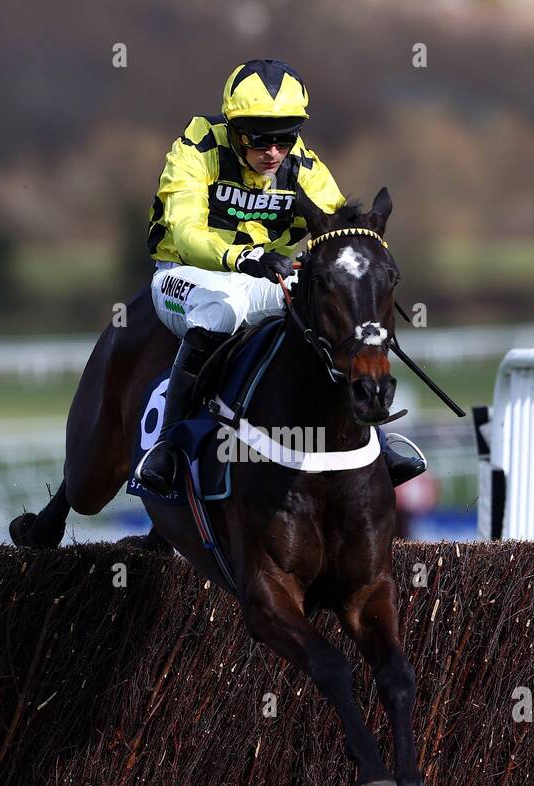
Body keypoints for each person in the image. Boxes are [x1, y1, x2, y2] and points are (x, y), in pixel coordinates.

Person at [133, 58, 427, 497]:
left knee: (333, 311)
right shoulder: (195, 150)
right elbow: (186, 232)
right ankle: (169, 447)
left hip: (265, 276)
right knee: (222, 311)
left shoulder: (302, 165)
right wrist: (244, 257)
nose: (273, 152)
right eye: (258, 139)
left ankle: (377, 439)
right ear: (234, 127)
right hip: (187, 276)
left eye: (285, 139)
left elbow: (335, 228)